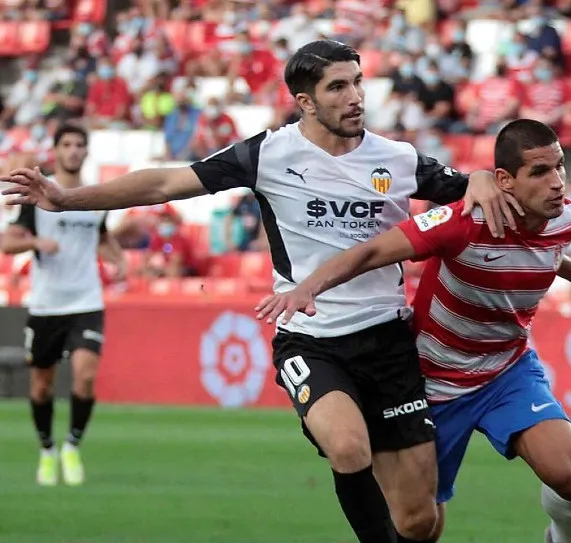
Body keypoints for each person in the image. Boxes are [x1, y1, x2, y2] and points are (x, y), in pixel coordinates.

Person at [2, 40, 516, 543]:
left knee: (418, 523)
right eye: (338, 87)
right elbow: (164, 184)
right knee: (346, 445)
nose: (355, 96)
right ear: (306, 102)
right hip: (311, 339)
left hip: (388, 340)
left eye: (358, 82)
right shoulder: (268, 152)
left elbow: (470, 186)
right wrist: (67, 198)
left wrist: (481, 176)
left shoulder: (398, 159)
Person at [256, 119, 571, 543]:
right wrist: (307, 288)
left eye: (560, 167)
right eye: (539, 172)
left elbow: (543, 252)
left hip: (507, 371)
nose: (556, 183)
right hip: (433, 381)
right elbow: (370, 252)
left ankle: (565, 540)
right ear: (505, 180)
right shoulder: (460, 222)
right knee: (420, 526)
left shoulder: (565, 217)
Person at [0, 123, 125, 486]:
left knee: (84, 378)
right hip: (45, 305)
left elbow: (101, 237)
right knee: (41, 386)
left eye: (79, 145)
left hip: (86, 301)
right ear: (56, 150)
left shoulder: (95, 197)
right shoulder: (40, 195)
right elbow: (8, 243)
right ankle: (46, 450)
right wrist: (37, 243)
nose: (73, 150)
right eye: (67, 144)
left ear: (86, 151)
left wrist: (118, 258)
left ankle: (72, 446)